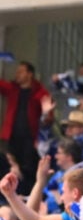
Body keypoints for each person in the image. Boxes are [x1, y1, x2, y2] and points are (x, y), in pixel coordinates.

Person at [0, 62, 48, 193]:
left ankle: (26, 195)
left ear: (29, 74)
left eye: (21, 71)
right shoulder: (13, 89)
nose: (17, 74)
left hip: (30, 139)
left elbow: (48, 116)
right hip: (11, 136)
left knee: (26, 170)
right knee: (9, 165)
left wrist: (47, 113)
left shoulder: (40, 92)